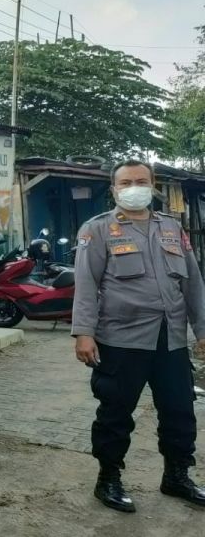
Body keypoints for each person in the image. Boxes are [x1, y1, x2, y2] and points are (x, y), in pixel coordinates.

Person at [71, 159, 205, 512]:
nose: (134, 187)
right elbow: (86, 284)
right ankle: (109, 479)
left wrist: (202, 330)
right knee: (116, 412)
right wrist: (84, 333)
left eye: (141, 180)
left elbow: (193, 283)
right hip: (121, 340)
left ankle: (176, 476)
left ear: (153, 184)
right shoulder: (97, 229)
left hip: (171, 339)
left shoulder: (172, 228)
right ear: (114, 189)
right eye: (126, 181)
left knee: (180, 411)